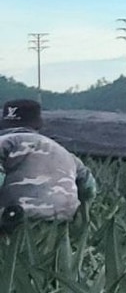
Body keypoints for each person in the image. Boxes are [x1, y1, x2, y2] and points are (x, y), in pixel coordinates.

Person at [0, 99, 96, 230]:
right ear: (38, 125)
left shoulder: (5, 141)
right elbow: (89, 188)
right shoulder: (65, 152)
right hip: (63, 224)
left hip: (14, 219)